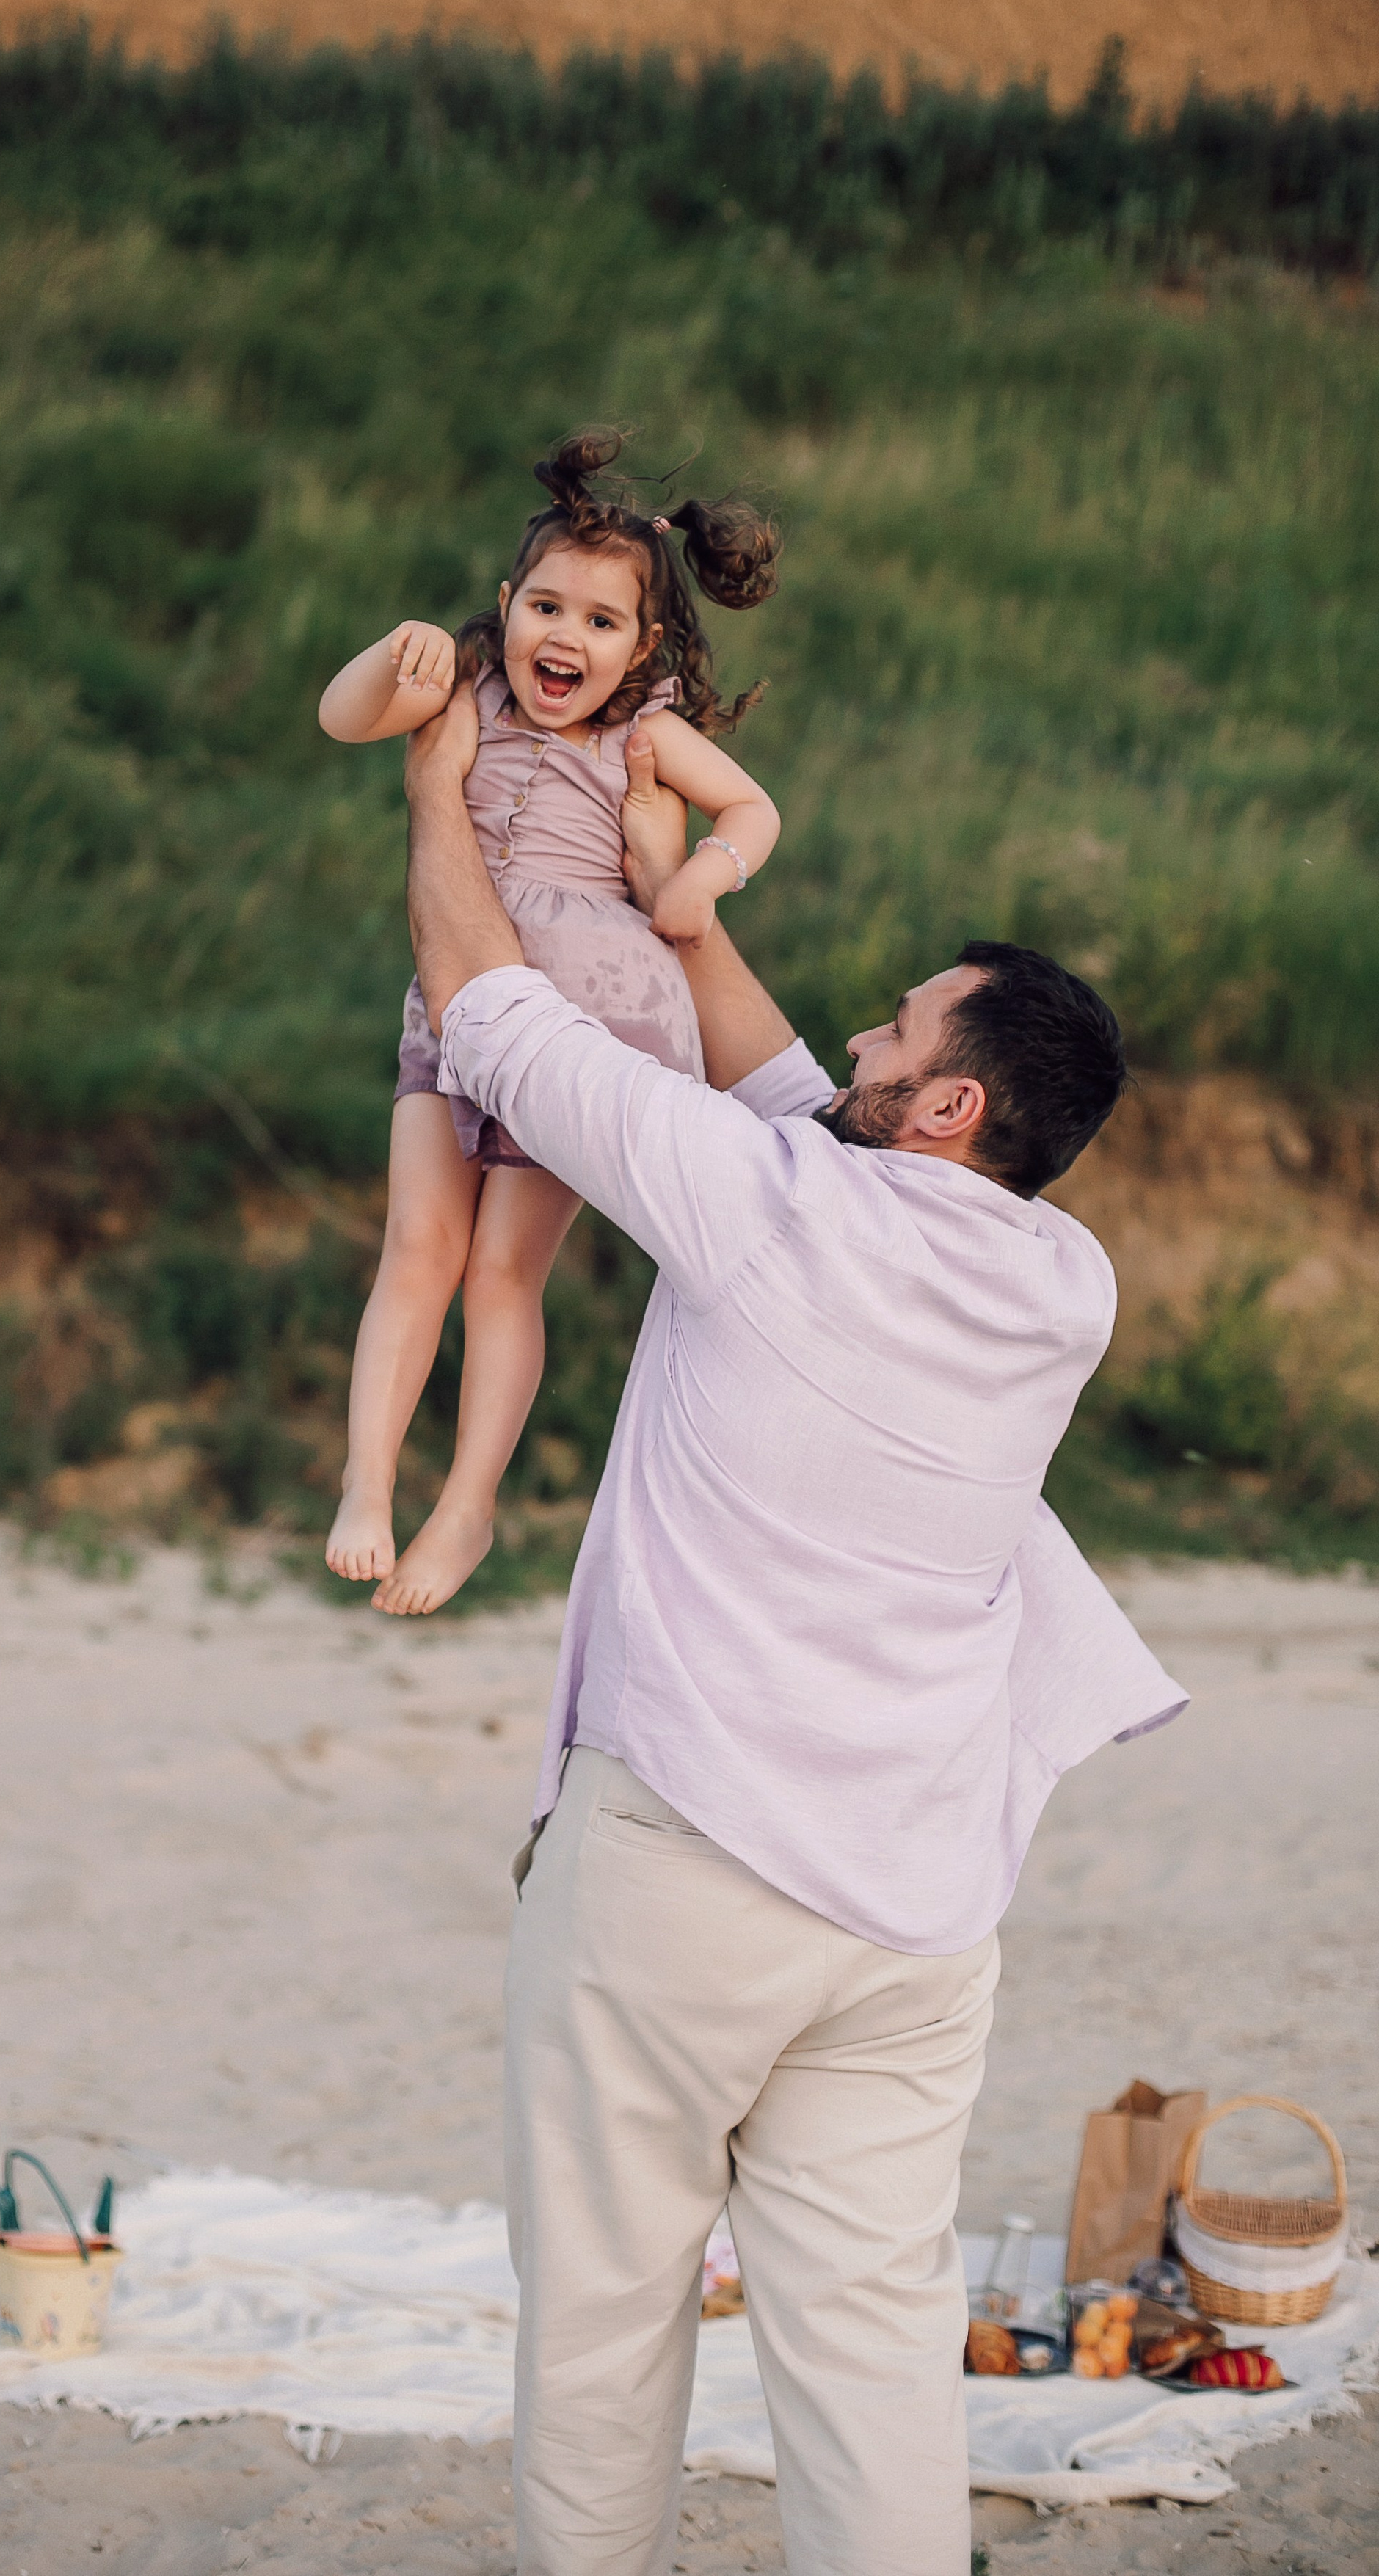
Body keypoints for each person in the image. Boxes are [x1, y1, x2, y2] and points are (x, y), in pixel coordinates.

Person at [400, 697, 1190, 2576]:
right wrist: (688, 923)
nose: (853, 1029)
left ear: (946, 1107)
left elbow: (489, 1002)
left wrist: (442, 791)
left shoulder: (764, 1217)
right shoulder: (1053, 1283)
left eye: (896, 1027)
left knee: (602, 2314)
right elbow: (796, 1112)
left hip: (684, 1861)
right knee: (867, 2339)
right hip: (912, 1911)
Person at [316, 430, 781, 1616]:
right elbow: (342, 717)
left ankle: (468, 1507)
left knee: (501, 1271)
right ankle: (367, 1484)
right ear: (504, 607)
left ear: (646, 645)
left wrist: (703, 877)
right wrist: (394, 653)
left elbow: (753, 805)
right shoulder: (464, 691)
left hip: (594, 1013)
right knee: (418, 1245)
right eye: (545, 608)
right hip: (455, 1002)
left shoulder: (642, 734)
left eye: (601, 621)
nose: (564, 639)